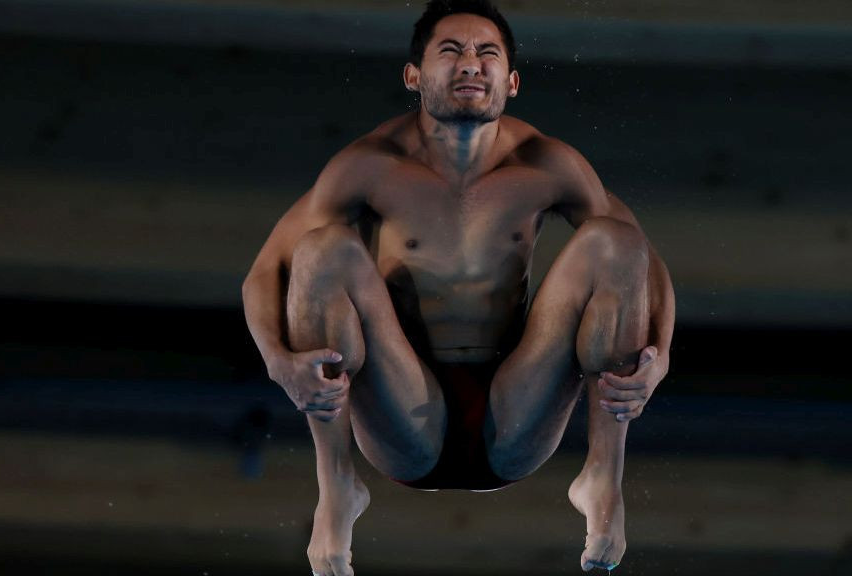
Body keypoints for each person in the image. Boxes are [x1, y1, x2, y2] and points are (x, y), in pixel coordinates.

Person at [242, 1, 675, 574]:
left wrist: (661, 357)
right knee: (322, 250)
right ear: (414, 75)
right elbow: (265, 270)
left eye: (486, 53)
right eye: (451, 51)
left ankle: (603, 475)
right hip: (403, 410)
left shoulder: (547, 163)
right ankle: (337, 484)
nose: (470, 63)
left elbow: (644, 263)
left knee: (614, 241)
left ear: (512, 81)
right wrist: (277, 362)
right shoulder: (371, 164)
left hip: (517, 409)